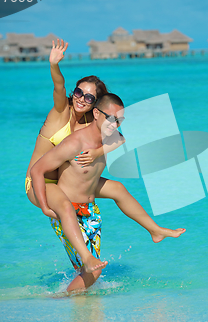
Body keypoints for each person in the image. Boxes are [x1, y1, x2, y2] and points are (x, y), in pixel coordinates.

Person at [25, 40, 185, 274]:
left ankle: (154, 230)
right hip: (40, 182)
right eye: (78, 92)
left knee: (118, 188)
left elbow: (120, 138)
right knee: (65, 207)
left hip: (65, 182)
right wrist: (54, 65)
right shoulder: (61, 111)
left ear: (96, 105)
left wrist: (98, 152)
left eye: (89, 98)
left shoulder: (96, 122)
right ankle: (87, 258)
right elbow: (59, 87)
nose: (81, 99)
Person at [31, 93, 131, 291]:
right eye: (110, 118)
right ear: (96, 113)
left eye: (119, 120)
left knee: (91, 273)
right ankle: (61, 299)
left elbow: (121, 138)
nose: (115, 124)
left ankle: (73, 304)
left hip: (89, 212)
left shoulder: (106, 138)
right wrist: (43, 206)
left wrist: (97, 152)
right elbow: (36, 170)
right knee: (92, 269)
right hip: (68, 212)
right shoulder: (74, 143)